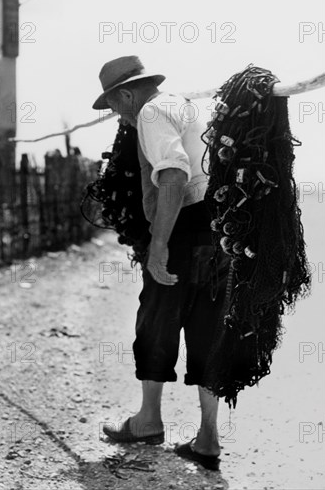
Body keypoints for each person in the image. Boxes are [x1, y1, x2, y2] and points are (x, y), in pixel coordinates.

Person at [92, 56, 230, 470]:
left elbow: (173, 175)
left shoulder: (150, 113)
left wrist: (158, 245)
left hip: (184, 229)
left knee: (156, 321)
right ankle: (208, 438)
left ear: (127, 94)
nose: (117, 116)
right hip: (215, 230)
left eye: (115, 105)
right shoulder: (183, 105)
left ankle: (148, 420)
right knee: (208, 326)